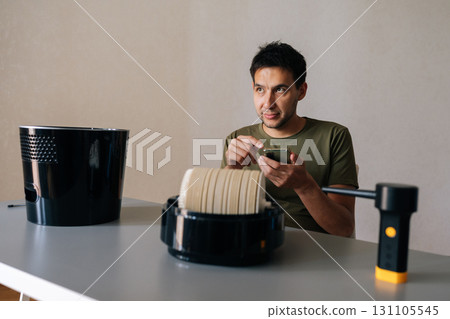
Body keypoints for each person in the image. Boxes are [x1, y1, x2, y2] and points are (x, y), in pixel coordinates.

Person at [221, 41, 358, 237]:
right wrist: (231, 170)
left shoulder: (334, 136)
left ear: (301, 91)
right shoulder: (237, 139)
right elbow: (218, 215)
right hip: (248, 243)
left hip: (314, 250)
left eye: (280, 90)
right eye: (260, 89)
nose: (268, 103)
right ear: (253, 88)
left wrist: (305, 186)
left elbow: (343, 228)